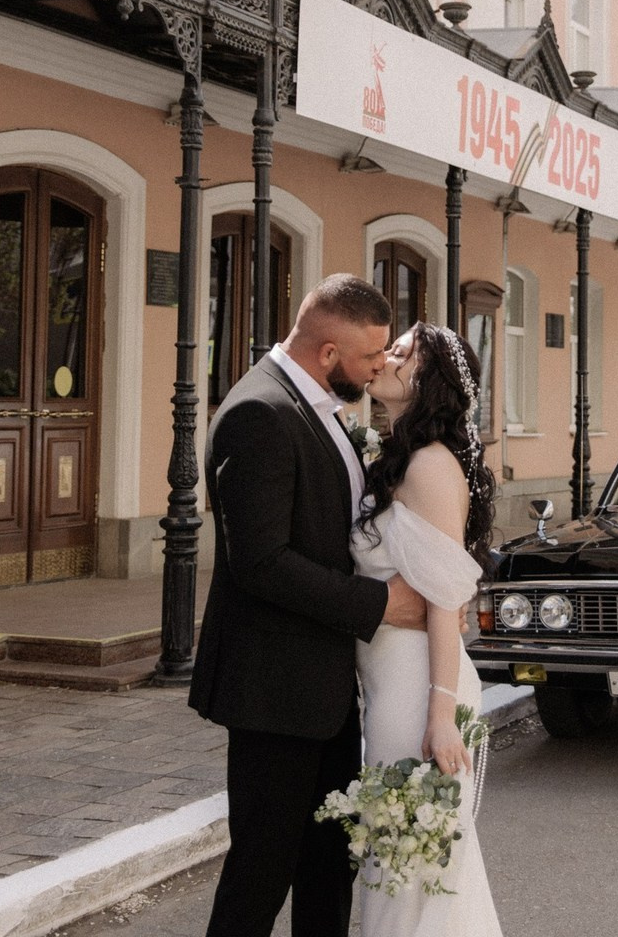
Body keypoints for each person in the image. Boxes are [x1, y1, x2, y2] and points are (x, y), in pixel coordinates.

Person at [190, 274, 425, 937]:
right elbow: (261, 564)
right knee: (261, 873)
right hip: (273, 690)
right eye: (369, 357)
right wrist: (379, 604)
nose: (379, 367)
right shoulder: (257, 414)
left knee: (327, 865)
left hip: (322, 692)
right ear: (327, 354)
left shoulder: (322, 406)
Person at [353, 321, 504, 936]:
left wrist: (440, 716)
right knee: (398, 865)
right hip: (389, 683)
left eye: (403, 352)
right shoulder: (398, 457)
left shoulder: (432, 466)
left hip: (420, 688)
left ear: (431, 382)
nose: (387, 357)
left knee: (411, 872)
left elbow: (444, 599)